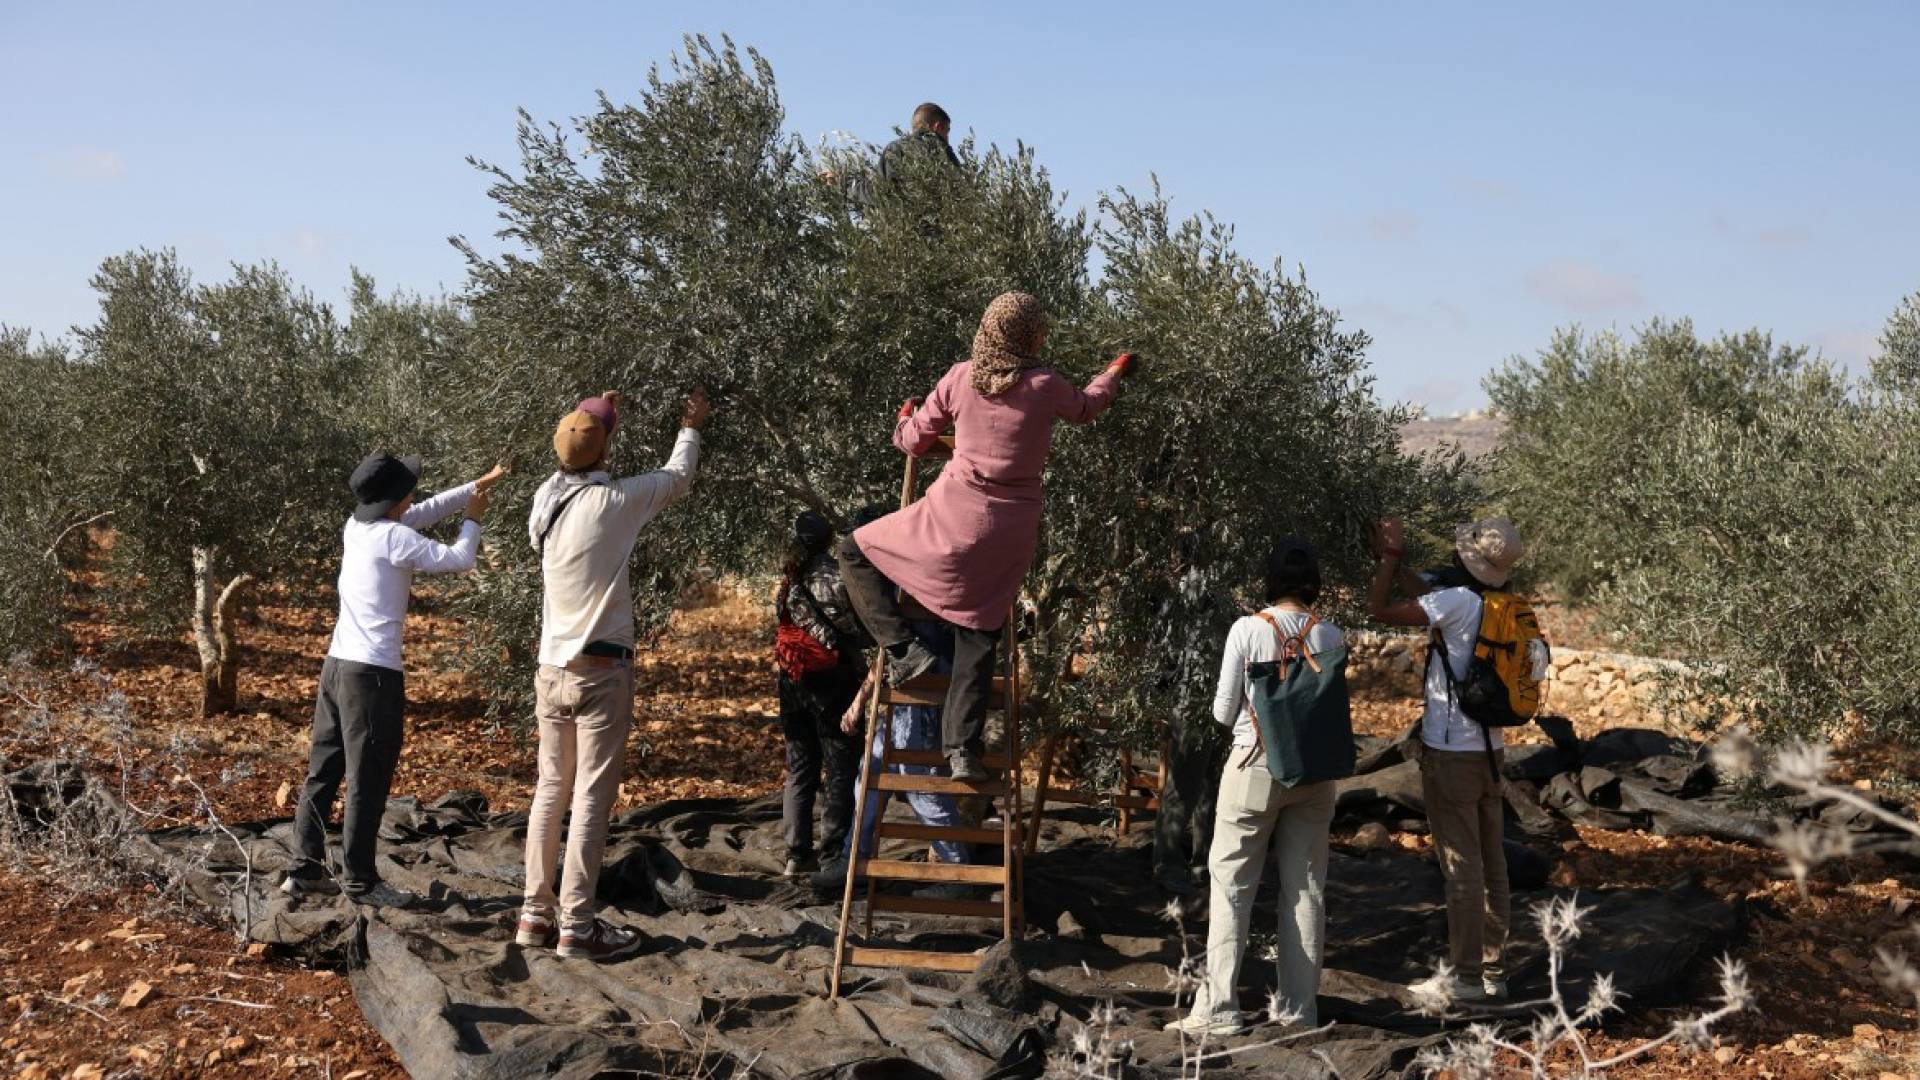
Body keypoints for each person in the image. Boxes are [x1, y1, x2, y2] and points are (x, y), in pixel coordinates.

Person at [837, 291, 1136, 780]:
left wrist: (904, 418)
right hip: (1009, 534)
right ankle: (962, 752)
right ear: (1027, 335)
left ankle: (902, 648)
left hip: (948, 521)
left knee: (853, 549)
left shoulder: (960, 377)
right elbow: (1088, 407)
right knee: (978, 633)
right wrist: (1114, 372)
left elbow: (913, 442)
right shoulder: (1046, 384)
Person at [515, 387, 709, 961]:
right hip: (601, 671)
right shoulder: (615, 501)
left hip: (551, 669)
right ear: (606, 451)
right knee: (591, 799)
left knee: (550, 791)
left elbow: (580, 446)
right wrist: (691, 424)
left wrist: (600, 411)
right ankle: (577, 925)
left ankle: (533, 915)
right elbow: (678, 475)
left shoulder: (544, 500)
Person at [283, 453, 506, 907]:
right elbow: (460, 559)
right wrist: (473, 518)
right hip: (372, 678)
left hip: (337, 667)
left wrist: (474, 486)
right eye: (409, 489)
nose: (415, 495)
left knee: (323, 773)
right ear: (396, 499)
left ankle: (303, 871)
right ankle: (361, 883)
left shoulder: (357, 527)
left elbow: (420, 512)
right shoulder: (396, 538)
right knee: (367, 781)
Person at [1166, 540, 1344, 1037]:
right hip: (1315, 774)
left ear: (1270, 579)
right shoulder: (1331, 634)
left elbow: (1224, 713)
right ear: (1313, 582)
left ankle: (1219, 1010)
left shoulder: (1247, 629)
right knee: (1306, 891)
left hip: (1254, 766)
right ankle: (1299, 1011)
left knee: (1231, 889)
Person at [1365, 514, 1526, 1004]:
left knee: (1462, 866)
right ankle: (1493, 972)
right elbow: (1427, 597)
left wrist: (1390, 559)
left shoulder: (1455, 602)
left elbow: (1380, 610)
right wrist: (1397, 564)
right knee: (1493, 863)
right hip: (1491, 750)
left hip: (1451, 753)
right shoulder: (1500, 603)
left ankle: (1466, 977)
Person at [810, 619, 971, 894]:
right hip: (904, 700)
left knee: (921, 784)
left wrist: (860, 701)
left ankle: (957, 873)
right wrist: (859, 701)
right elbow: (889, 653)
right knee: (869, 775)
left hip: (924, 698)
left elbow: (915, 652)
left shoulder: (928, 607)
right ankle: (854, 859)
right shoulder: (894, 610)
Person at [774, 511, 866, 878]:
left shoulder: (789, 578)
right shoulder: (838, 577)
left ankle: (796, 854)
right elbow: (857, 628)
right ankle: (832, 856)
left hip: (792, 682)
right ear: (830, 541)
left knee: (800, 768)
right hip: (833, 683)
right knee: (840, 767)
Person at [878, 101, 960, 185]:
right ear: (938, 127)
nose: (947, 138)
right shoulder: (945, 154)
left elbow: (887, 186)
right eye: (947, 131)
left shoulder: (894, 149)